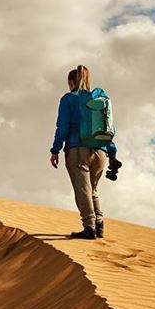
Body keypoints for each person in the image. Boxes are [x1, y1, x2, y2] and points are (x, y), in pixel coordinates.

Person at [49, 65, 117, 239]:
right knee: (92, 189)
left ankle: (89, 228)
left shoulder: (68, 99)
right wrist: (112, 152)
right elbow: (107, 127)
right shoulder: (99, 101)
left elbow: (62, 127)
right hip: (101, 152)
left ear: (71, 81)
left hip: (78, 150)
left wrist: (55, 150)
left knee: (83, 190)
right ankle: (99, 224)